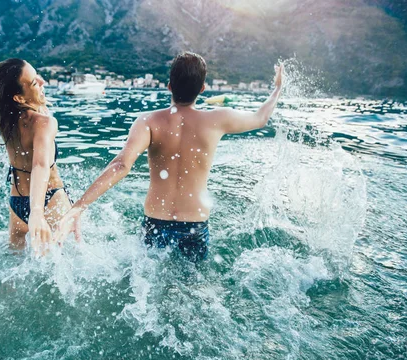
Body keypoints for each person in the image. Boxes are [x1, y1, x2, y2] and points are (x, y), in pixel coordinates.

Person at [54, 52, 284, 261]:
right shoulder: (218, 119)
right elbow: (260, 118)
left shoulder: (148, 121)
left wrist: (79, 206)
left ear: (168, 86)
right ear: (203, 88)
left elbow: (121, 165)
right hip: (195, 225)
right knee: (191, 288)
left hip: (155, 222)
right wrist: (277, 89)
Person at [0, 58, 71, 253]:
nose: (43, 83)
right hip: (49, 200)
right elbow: (40, 165)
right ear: (18, 98)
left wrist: (34, 91)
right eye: (35, 82)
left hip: (17, 203)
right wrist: (37, 213)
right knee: (68, 260)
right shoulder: (44, 123)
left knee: (13, 265)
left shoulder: (4, 119)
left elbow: (3, 83)